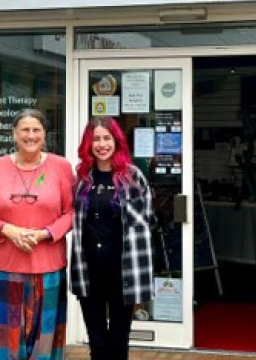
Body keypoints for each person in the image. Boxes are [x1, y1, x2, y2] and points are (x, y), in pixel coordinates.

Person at [0, 108, 74, 360]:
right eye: (24, 130)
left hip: (47, 268)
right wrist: (8, 230)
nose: (30, 135)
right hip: (3, 268)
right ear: (14, 134)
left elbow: (71, 212)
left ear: (45, 134)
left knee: (45, 342)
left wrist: (44, 233)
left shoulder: (61, 167)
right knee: (4, 343)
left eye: (36, 130)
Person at [70, 117, 156, 360]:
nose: (101, 144)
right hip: (88, 269)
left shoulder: (132, 176)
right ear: (88, 143)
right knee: (97, 342)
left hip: (123, 270)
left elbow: (148, 217)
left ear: (116, 141)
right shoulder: (81, 178)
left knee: (119, 342)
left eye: (107, 138)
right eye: (96, 139)